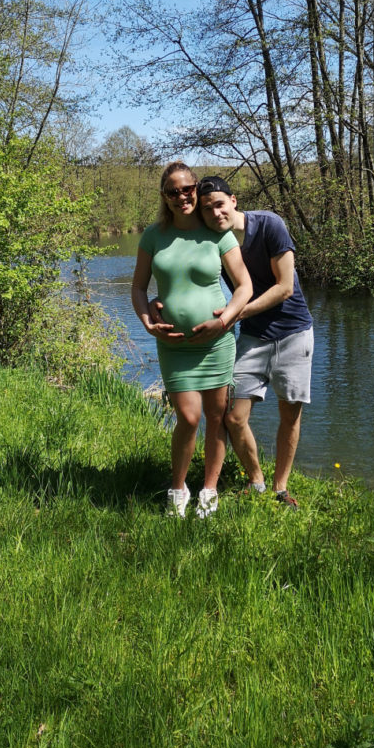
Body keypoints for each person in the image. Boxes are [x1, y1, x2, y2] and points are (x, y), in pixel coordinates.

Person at [131, 162, 252, 518]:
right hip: (174, 346)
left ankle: (209, 491)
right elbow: (138, 287)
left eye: (188, 189)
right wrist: (146, 321)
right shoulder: (154, 236)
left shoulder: (217, 232)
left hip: (217, 343)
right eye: (174, 191)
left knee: (217, 418)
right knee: (188, 416)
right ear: (164, 197)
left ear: (196, 189)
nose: (182, 196)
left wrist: (226, 319)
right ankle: (178, 489)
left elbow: (244, 285)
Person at [197, 176, 314, 508]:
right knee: (233, 416)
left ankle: (281, 487)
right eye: (207, 209)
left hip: (294, 333)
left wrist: (233, 315)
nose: (215, 212)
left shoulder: (269, 225)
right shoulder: (214, 242)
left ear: (234, 201)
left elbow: (285, 287)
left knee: (289, 414)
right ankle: (256, 481)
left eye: (220, 204)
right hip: (252, 337)